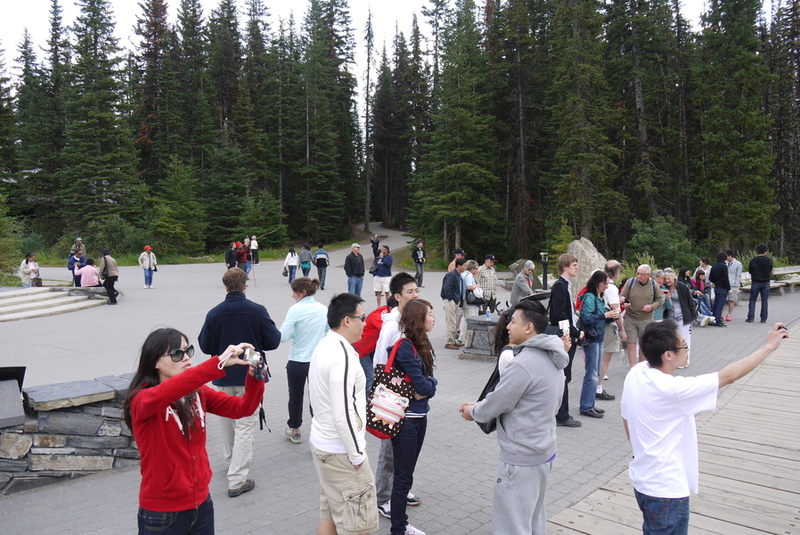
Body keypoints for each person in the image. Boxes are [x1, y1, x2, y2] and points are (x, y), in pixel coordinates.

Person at [621, 319, 788, 535]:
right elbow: (729, 375)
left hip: (643, 480)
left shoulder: (637, 372)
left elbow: (626, 418)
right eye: (684, 346)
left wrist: (639, 451)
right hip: (667, 491)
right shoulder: (673, 389)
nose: (688, 349)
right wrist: (769, 346)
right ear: (668, 355)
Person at [123, 328, 266, 535]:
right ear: (154, 361)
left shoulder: (195, 391)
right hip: (162, 515)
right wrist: (218, 362)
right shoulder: (142, 400)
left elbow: (242, 408)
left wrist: (255, 378)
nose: (186, 358)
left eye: (188, 351)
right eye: (177, 354)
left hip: (201, 505)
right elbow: (171, 390)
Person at [460, 301, 571, 535]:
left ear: (529, 327)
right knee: (533, 519)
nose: (508, 326)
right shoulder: (553, 358)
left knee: (513, 525)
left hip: (521, 457)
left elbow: (498, 402)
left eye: (513, 321)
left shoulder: (524, 364)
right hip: (543, 450)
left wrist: (475, 411)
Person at [198, 268, 281, 498]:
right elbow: (274, 341)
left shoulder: (214, 313)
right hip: (250, 374)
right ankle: (237, 479)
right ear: (245, 286)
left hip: (223, 374)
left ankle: (231, 462)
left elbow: (205, 346)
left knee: (228, 423)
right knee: (245, 425)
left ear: (225, 287)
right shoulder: (257, 310)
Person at [308, 293, 379, 535]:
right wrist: (357, 454)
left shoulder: (324, 345)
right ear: (347, 321)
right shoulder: (343, 355)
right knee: (357, 523)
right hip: (341, 451)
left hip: (323, 444)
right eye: (362, 318)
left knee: (329, 508)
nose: (365, 324)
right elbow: (344, 412)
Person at [372, 273, 421, 520]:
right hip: (394, 397)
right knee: (389, 449)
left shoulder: (412, 319)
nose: (416, 295)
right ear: (397, 296)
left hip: (411, 398)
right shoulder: (392, 325)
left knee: (406, 449)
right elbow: (380, 361)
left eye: (417, 290)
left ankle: (401, 490)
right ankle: (383, 498)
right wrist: (387, 395)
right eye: (410, 292)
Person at [389, 299, 438, 535]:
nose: (433, 318)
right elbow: (421, 386)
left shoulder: (421, 344)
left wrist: (428, 385)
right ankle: (398, 528)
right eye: (429, 314)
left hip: (420, 416)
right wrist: (428, 385)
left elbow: (425, 387)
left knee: (407, 473)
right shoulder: (407, 346)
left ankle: (401, 523)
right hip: (406, 420)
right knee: (403, 475)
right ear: (418, 318)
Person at [279, 277, 328, 445]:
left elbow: (283, 336)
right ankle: (319, 433)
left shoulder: (295, 310)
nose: (293, 295)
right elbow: (329, 331)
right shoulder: (323, 309)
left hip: (298, 360)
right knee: (317, 397)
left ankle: (296, 430)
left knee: (295, 396)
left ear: (303, 292)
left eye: (295, 292)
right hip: (317, 361)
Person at [579, 270, 619, 419]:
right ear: (598, 283)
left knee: (594, 373)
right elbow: (586, 318)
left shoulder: (599, 298)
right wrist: (605, 315)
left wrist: (611, 317)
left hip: (599, 338)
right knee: (592, 374)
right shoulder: (590, 297)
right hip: (592, 339)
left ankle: (589, 404)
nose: (607, 287)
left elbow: (599, 318)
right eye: (605, 283)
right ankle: (586, 406)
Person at [549, 253, 582, 428]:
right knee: (563, 375)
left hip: (567, 334)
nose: (577, 267)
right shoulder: (560, 286)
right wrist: (574, 333)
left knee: (564, 375)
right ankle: (562, 414)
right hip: (565, 336)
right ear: (565, 267)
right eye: (574, 265)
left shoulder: (564, 286)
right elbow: (560, 314)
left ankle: (561, 413)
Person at [620, 264, 663, 366]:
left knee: (644, 345)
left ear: (648, 275)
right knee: (631, 344)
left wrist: (651, 307)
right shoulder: (630, 282)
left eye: (642, 274)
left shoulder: (653, 284)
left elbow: (660, 300)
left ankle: (641, 368)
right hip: (630, 317)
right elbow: (622, 294)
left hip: (646, 319)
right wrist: (622, 299)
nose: (639, 276)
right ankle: (633, 368)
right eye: (638, 273)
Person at [597, 260, 626, 401]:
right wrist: (622, 330)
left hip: (596, 323)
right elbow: (616, 311)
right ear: (617, 272)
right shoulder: (612, 288)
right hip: (608, 326)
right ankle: (599, 387)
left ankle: (594, 386)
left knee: (596, 356)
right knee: (605, 359)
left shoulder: (598, 283)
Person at [663, 270, 697, 360]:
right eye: (665, 279)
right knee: (673, 339)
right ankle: (676, 359)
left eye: (669, 278)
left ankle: (685, 359)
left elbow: (690, 301)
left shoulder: (682, 287)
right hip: (670, 316)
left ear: (674, 278)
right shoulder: (664, 288)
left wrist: (693, 316)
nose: (667, 281)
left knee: (684, 339)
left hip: (682, 316)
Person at [441, 258, 466, 350]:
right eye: (464, 266)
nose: (465, 267)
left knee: (455, 321)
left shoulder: (458, 275)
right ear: (459, 266)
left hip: (455, 300)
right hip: (450, 301)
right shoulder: (451, 275)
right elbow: (447, 288)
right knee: (451, 321)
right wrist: (451, 299)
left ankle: (453, 340)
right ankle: (449, 341)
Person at [747, 244, 773, 323]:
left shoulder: (753, 260)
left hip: (755, 282)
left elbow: (750, 270)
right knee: (764, 301)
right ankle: (763, 318)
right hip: (766, 282)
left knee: (752, 300)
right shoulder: (769, 260)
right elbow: (770, 270)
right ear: (765, 252)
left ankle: (751, 317)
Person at [461, 260, 482, 348]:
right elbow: (469, 287)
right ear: (472, 268)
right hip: (470, 301)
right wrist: (477, 286)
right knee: (471, 320)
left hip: (463, 300)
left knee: (466, 320)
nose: (477, 270)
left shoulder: (463, 274)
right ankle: (468, 340)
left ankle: (462, 337)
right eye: (476, 268)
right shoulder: (469, 276)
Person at [708, 251, 730, 328]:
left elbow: (710, 278)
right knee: (720, 304)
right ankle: (718, 320)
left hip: (717, 287)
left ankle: (713, 318)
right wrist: (729, 288)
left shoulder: (714, 266)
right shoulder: (724, 266)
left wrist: (716, 282)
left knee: (716, 304)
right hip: (723, 287)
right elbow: (725, 278)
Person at [725, 249, 742, 322]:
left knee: (731, 300)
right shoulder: (725, 263)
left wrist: (736, 285)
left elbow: (738, 275)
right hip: (725, 283)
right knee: (723, 299)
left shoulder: (738, 264)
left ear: (730, 256)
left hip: (733, 283)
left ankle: (729, 314)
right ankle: (720, 314)